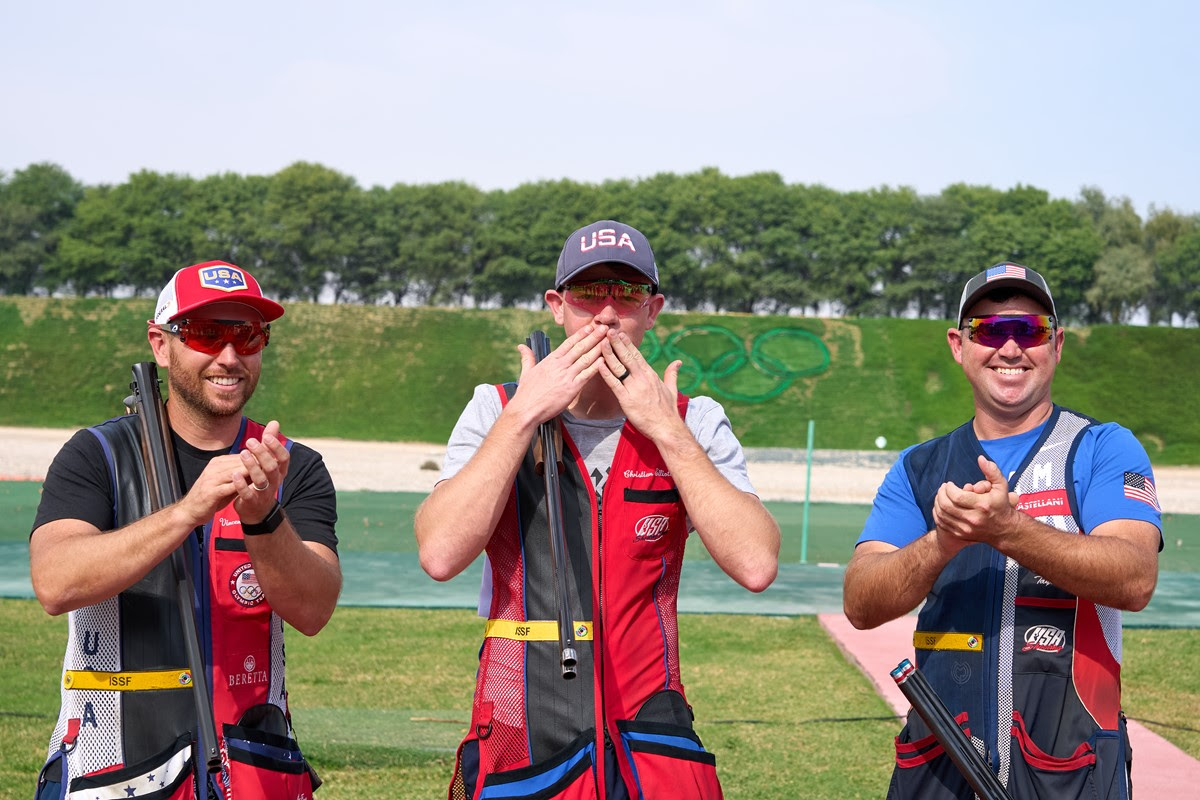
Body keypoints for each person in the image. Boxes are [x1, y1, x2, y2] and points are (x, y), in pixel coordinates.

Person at [415, 219, 780, 800]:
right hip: (524, 724)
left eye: (627, 293)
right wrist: (523, 418)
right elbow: (439, 553)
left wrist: (664, 428)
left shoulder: (693, 418)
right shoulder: (497, 407)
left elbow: (756, 563)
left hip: (648, 725)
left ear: (652, 309)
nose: (607, 314)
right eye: (588, 294)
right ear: (557, 307)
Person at [843, 263, 1161, 800]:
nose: (1010, 349)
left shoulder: (1104, 447)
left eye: (1029, 331)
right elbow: (861, 601)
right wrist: (943, 540)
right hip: (937, 767)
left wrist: (1009, 530)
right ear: (958, 345)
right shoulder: (919, 466)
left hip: (1071, 770)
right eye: (990, 331)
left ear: (1056, 344)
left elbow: (1134, 578)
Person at [30, 261, 342, 800]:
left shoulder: (293, 465)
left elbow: (313, 610)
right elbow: (56, 583)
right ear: (160, 344)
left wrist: (264, 516)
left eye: (247, 335)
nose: (229, 356)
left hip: (252, 768)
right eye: (206, 334)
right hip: (113, 768)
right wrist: (185, 513)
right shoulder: (98, 454)